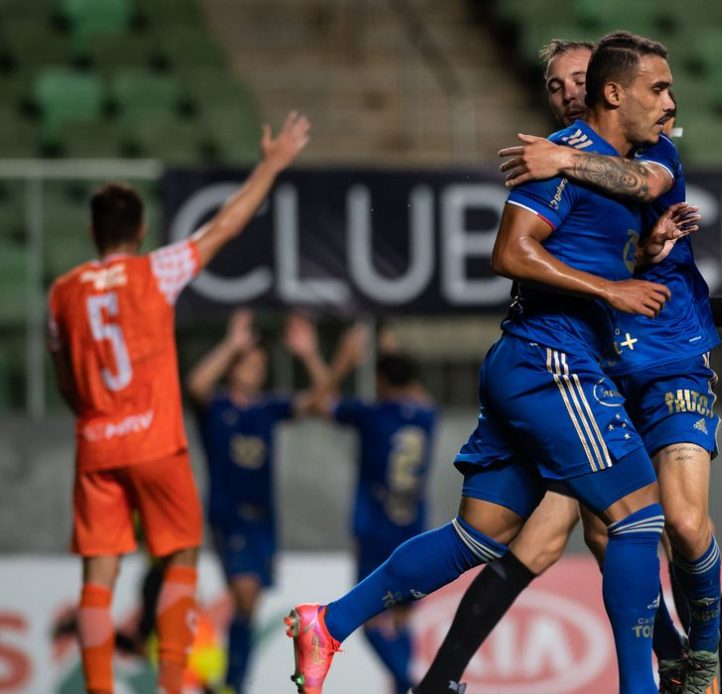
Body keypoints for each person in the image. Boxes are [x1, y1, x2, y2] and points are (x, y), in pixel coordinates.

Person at [286, 31, 684, 694]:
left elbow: (640, 189)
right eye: (659, 89)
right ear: (615, 94)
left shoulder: (610, 161)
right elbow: (509, 252)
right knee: (638, 517)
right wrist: (611, 289)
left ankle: (328, 623)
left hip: (534, 364)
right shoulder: (566, 159)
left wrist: (638, 259)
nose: (670, 101)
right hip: (551, 361)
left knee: (479, 536)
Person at [415, 37, 722, 694]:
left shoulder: (645, 151)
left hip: (655, 367)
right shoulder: (566, 167)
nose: (568, 91)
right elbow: (608, 271)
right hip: (592, 367)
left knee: (671, 521)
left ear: (608, 88)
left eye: (580, 78)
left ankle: (721, 680)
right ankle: (443, 680)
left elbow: (650, 251)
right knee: (556, 538)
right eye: (557, 84)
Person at [46, 111, 310, 694]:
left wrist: (92, 417)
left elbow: (65, 376)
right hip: (156, 442)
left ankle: (98, 688)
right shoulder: (154, 271)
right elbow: (226, 225)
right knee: (182, 554)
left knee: (99, 572)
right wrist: (270, 164)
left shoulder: (62, 293)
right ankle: (171, 685)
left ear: (93, 234)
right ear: (139, 231)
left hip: (96, 444)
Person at [186, 309, 327, 694]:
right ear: (232, 366)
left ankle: (233, 682)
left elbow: (322, 398)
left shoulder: (268, 410)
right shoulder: (216, 407)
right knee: (245, 593)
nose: (254, 369)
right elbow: (195, 384)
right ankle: (232, 683)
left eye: (260, 364)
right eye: (248, 362)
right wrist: (231, 344)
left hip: (263, 520)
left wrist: (310, 354)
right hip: (229, 516)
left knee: (249, 605)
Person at [314, 325, 439, 693]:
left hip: (374, 527)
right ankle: (404, 686)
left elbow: (322, 403)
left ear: (381, 381)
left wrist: (342, 361)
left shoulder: (372, 415)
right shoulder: (426, 417)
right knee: (401, 618)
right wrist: (393, 351)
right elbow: (419, 393)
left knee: (369, 621)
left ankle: (408, 683)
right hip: (412, 526)